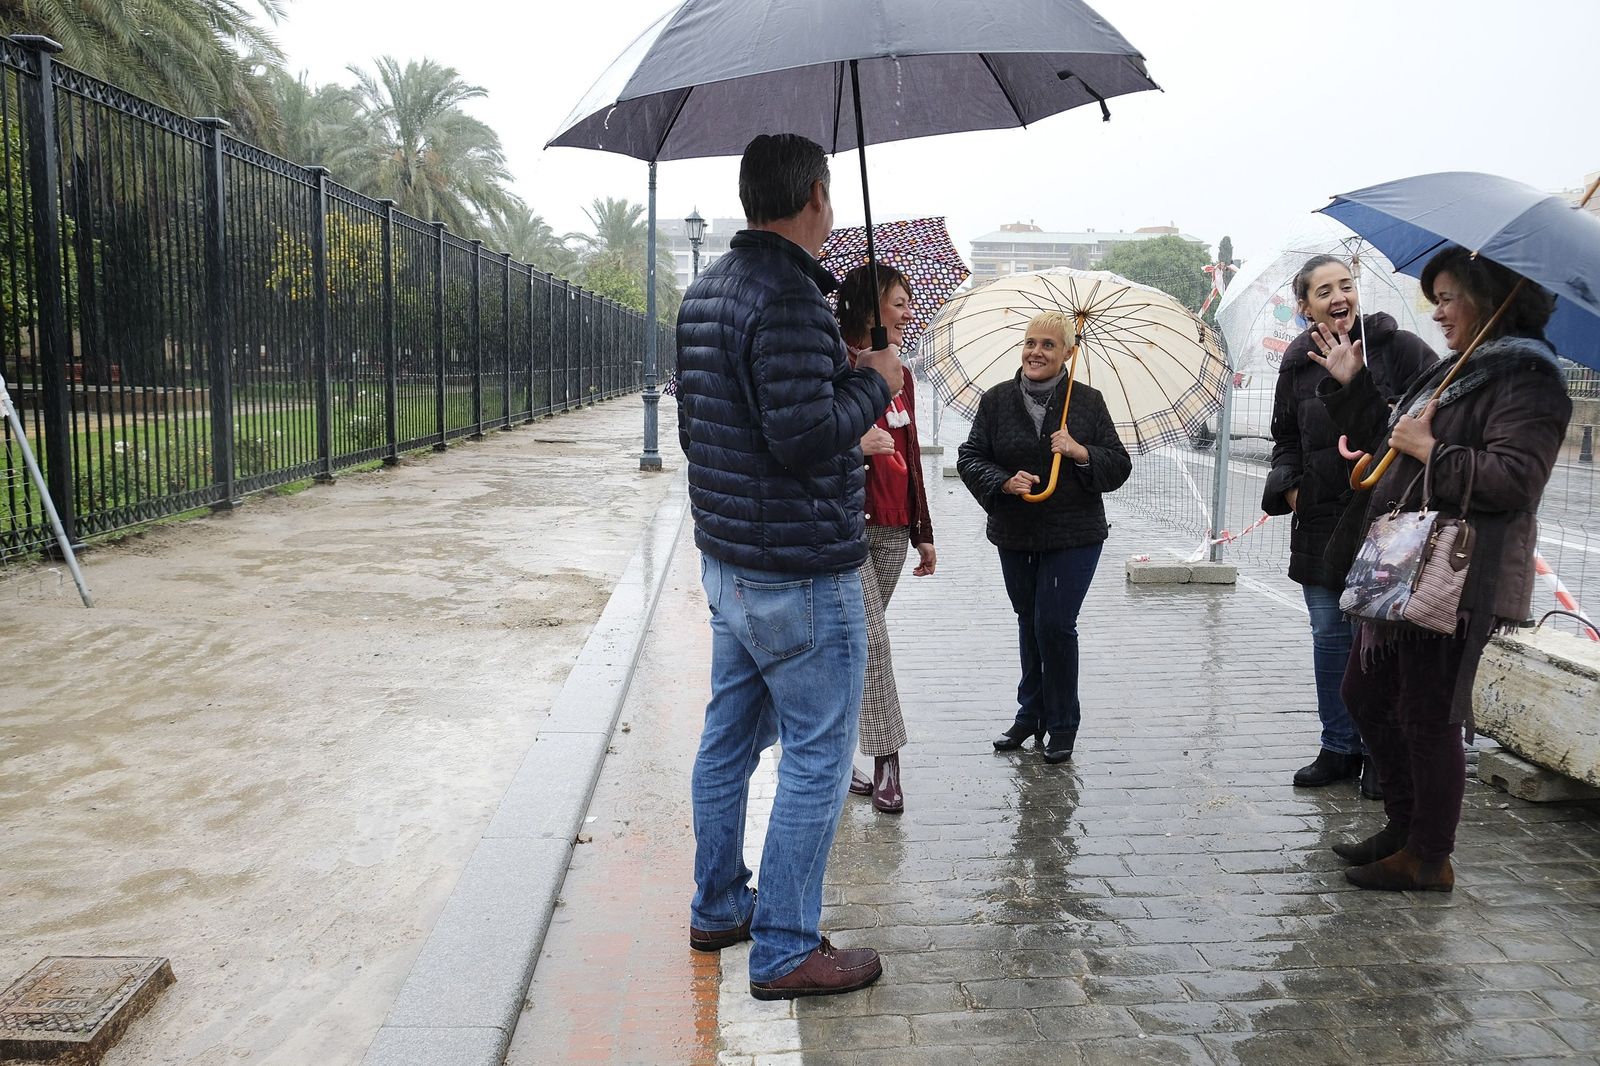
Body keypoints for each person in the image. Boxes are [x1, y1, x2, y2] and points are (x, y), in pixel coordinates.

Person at [674, 133, 902, 999]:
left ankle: (719, 905)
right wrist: (875, 379)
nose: (833, 210)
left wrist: (838, 375)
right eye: (831, 195)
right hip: (802, 575)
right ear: (814, 195)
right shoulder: (794, 300)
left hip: (730, 566)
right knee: (815, 757)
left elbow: (712, 432)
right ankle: (785, 948)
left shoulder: (706, 295)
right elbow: (804, 436)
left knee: (727, 741)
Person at [1311, 246, 1572, 892]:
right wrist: (1354, 388)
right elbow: (1394, 438)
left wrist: (1436, 451)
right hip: (1403, 565)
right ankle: (1403, 827)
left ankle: (1429, 855)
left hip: (1458, 574)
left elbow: (1514, 481)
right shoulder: (1462, 369)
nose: (1437, 312)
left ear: (1492, 297)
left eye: (1449, 296)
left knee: (1428, 715)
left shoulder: (1529, 380)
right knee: (1365, 694)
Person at [1262, 255, 1437, 797]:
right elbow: (1286, 438)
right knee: (1329, 637)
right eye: (1323, 291)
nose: (1338, 297)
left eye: (1345, 286)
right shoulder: (1295, 365)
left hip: (1386, 521)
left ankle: (1382, 756)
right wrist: (1290, 486)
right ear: (1305, 306)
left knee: (1378, 640)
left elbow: (1436, 409)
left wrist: (1364, 389)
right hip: (1321, 518)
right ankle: (1338, 746)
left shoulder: (1399, 347)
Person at [956, 311, 1131, 763]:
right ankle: (1029, 713)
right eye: (1031, 342)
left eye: (1049, 345)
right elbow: (970, 457)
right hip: (1016, 532)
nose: (1036, 352)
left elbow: (1118, 465)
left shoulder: (1087, 402)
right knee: (1027, 619)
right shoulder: (996, 400)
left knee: (1053, 623)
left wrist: (1080, 452)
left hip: (1074, 534)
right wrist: (1001, 481)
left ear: (1069, 353)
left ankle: (1062, 723)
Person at [834, 262, 936, 814]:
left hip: (893, 526)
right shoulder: (837, 363)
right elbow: (809, 439)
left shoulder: (902, 373)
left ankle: (838, 755)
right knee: (870, 642)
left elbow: (912, 451)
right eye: (899, 303)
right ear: (871, 308)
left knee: (852, 648)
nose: (908, 312)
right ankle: (886, 759)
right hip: (845, 526)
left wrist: (923, 531)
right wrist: (856, 446)